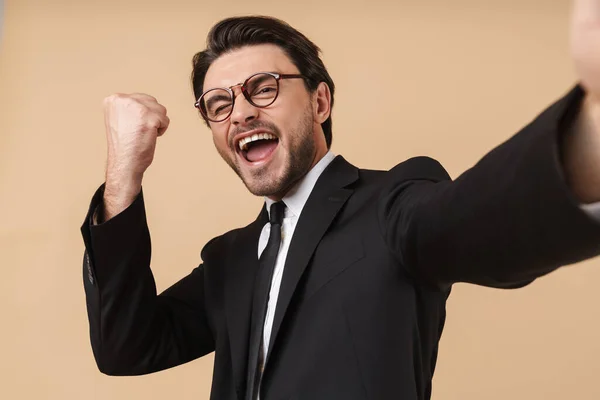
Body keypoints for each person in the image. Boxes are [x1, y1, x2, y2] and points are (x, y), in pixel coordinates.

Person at [80, 4, 600, 400]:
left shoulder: (390, 205)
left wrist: (590, 133)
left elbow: (476, 222)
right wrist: (124, 172)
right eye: (219, 104)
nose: (238, 113)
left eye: (262, 88)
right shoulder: (230, 260)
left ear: (320, 100)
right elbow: (127, 346)